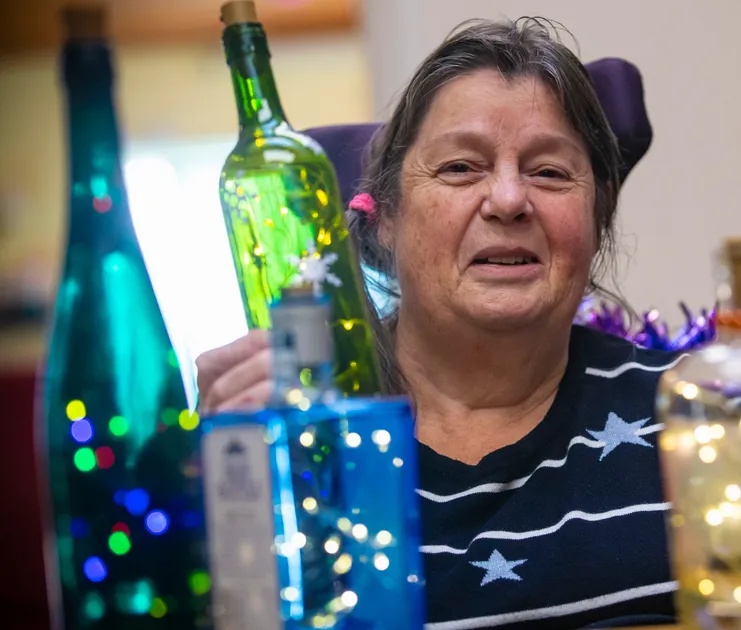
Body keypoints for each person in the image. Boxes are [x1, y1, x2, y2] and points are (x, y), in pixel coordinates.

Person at [196, 17, 679, 629]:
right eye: (460, 168)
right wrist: (214, 502)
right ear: (385, 217)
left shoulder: (698, 411)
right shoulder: (301, 442)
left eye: (550, 172)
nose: (509, 200)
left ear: (596, 216)